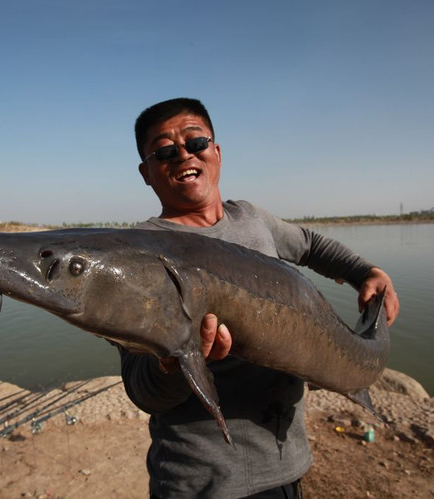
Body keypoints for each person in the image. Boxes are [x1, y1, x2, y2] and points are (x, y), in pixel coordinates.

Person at [118, 97, 400, 498]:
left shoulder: (251, 218)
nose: (182, 155)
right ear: (147, 173)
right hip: (200, 479)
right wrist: (174, 362)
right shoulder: (137, 253)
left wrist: (364, 273)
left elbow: (311, 245)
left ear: (216, 152)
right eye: (164, 151)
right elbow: (143, 391)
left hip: (285, 463)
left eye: (195, 143)